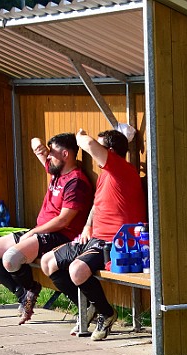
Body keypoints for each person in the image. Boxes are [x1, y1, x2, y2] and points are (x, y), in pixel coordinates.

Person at [40, 128, 147, 340]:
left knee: (77, 270)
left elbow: (88, 144)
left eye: (99, 147)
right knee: (47, 262)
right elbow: (97, 205)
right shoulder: (106, 173)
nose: (91, 153)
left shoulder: (122, 169)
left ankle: (106, 313)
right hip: (95, 237)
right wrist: (88, 225)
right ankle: (90, 306)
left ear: (111, 151)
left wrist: (79, 136)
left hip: (116, 242)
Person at [0, 133, 93, 325]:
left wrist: (33, 232)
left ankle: (32, 290)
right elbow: (34, 143)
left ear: (65, 154)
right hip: (40, 232)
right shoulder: (56, 170)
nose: (47, 158)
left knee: (11, 259)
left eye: (52, 153)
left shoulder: (76, 181)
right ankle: (24, 292)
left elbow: (64, 220)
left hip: (59, 236)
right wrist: (40, 146)